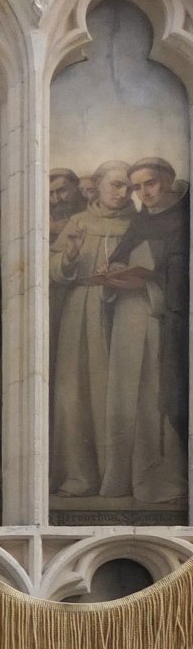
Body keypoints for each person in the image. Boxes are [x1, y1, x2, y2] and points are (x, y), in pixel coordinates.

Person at [99, 156, 189, 504]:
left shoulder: (186, 213)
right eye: (137, 187)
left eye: (149, 183)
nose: (143, 192)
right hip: (150, 319)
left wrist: (154, 280)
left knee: (173, 400)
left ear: (168, 180)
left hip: (178, 322)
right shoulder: (141, 221)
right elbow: (126, 257)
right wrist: (115, 270)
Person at [49, 160, 132, 497]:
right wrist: (69, 255)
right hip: (79, 314)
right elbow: (53, 270)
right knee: (74, 395)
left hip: (121, 315)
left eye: (126, 186)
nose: (121, 192)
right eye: (115, 185)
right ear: (97, 185)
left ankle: (116, 476)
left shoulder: (137, 224)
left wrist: (120, 276)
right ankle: (79, 475)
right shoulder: (78, 221)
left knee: (114, 397)